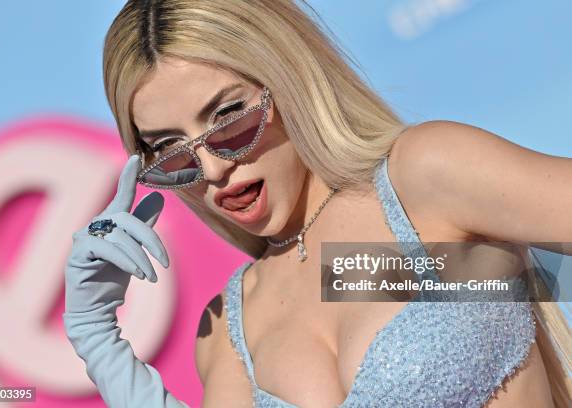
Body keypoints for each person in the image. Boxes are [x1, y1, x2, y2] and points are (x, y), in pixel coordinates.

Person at [63, 0, 572, 407]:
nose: (213, 170)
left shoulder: (424, 178)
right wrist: (100, 344)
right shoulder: (228, 327)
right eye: (172, 151)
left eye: (228, 118)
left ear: (287, 79)